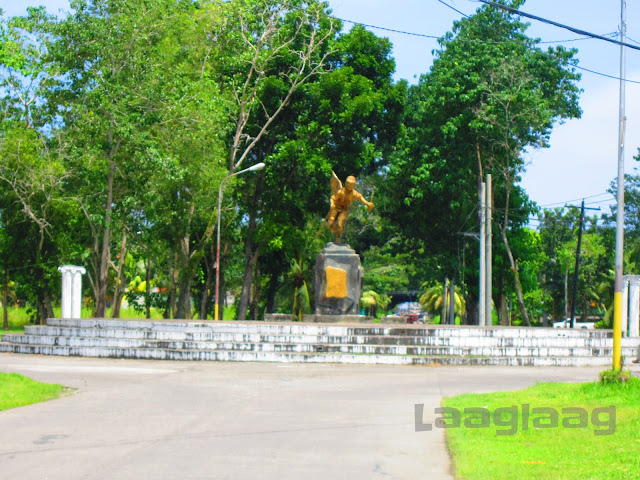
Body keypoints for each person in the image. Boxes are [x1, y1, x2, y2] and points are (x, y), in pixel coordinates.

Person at [325, 172, 374, 244]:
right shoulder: (340, 192)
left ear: (354, 185)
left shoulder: (354, 194)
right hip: (336, 208)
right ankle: (334, 227)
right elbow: (333, 198)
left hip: (344, 210)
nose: (349, 186)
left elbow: (361, 198)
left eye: (351, 184)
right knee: (329, 224)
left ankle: (338, 238)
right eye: (348, 183)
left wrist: (368, 204)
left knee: (340, 224)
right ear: (345, 183)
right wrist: (332, 204)